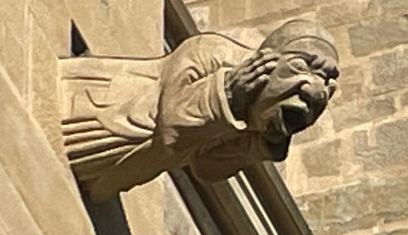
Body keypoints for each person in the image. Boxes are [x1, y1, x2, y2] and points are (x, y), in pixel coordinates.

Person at [61, 19, 339, 199]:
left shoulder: (256, 117)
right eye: (301, 66)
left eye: (327, 82)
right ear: (268, 59)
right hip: (87, 112)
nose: (313, 89)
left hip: (114, 169)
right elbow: (172, 127)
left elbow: (208, 169)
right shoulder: (212, 52)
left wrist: (263, 142)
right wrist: (228, 94)